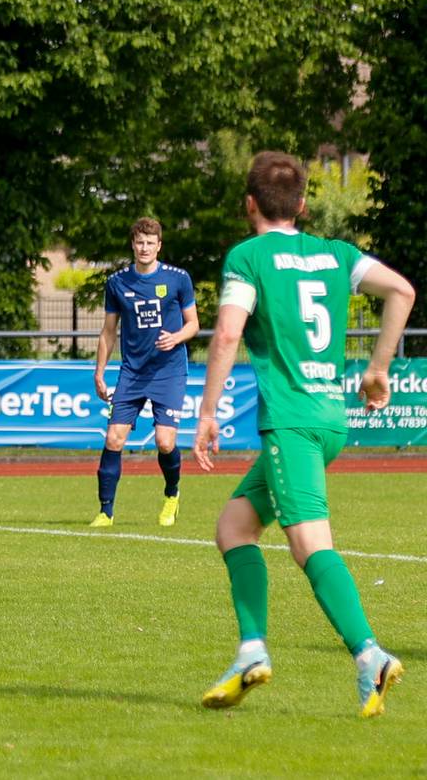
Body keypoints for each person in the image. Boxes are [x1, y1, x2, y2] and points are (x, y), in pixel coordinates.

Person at [194, 152, 414, 718]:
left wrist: (208, 411)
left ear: (250, 205)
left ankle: (369, 654)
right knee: (234, 527)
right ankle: (250, 651)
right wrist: (378, 367)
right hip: (329, 418)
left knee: (309, 544)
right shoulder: (335, 255)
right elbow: (402, 292)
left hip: (290, 422)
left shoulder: (248, 257)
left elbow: (225, 336)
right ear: (303, 206)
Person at [90, 218, 199, 527]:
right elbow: (108, 332)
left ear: (159, 246)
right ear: (133, 245)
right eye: (140, 242)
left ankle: (172, 495)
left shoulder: (178, 279)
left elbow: (194, 324)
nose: (145, 248)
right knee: (114, 438)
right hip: (132, 372)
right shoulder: (117, 283)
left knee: (165, 442)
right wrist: (100, 373)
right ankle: (105, 511)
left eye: (150, 243)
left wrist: (176, 337)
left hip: (169, 371)